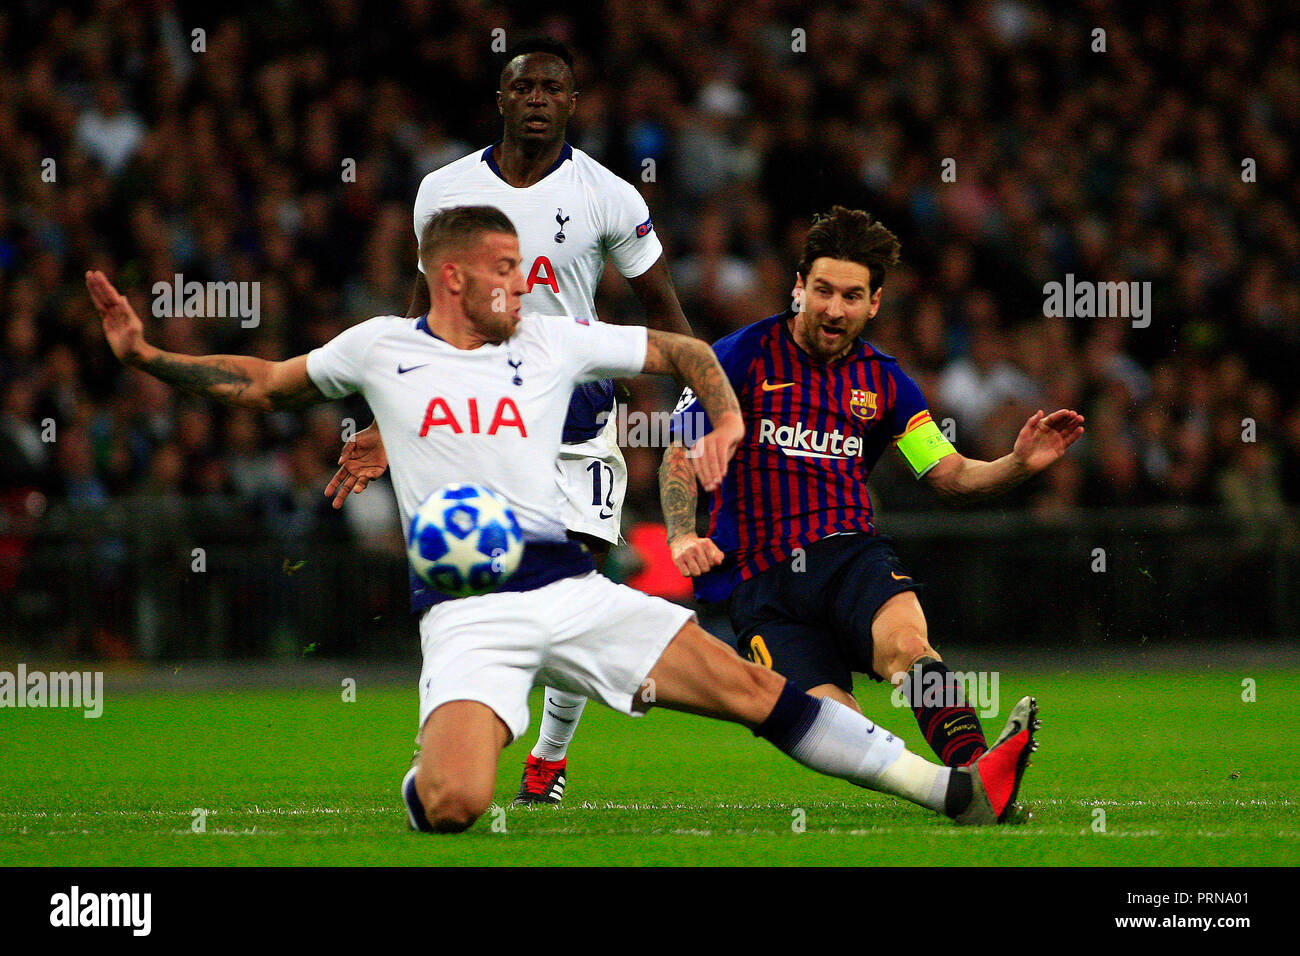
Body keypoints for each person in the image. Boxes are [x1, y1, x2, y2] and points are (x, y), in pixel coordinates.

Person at [87, 204, 1038, 833]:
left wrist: (728, 418)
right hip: (468, 612)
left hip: (577, 589)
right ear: (453, 277)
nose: (526, 281)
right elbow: (261, 385)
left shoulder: (550, 338)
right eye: (507, 268)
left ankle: (954, 787)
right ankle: (438, 771)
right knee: (457, 804)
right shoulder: (380, 349)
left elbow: (683, 352)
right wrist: (147, 358)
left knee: (760, 697)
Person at [327, 38, 694, 806]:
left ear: (572, 103)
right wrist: (387, 417)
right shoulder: (442, 190)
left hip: (577, 422)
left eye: (552, 87)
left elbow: (662, 310)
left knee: (578, 583)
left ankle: (547, 760)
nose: (536, 98)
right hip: (476, 416)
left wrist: (692, 397)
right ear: (499, 99)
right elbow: (420, 314)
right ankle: (448, 734)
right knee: (467, 588)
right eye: (522, 85)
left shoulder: (610, 195)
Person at [662, 206, 1083, 766]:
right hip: (761, 583)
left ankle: (978, 771)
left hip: (850, 557)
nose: (835, 309)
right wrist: (682, 535)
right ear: (798, 288)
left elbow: (950, 475)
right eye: (823, 290)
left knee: (910, 648)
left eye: (852, 295)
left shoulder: (886, 382)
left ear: (874, 302)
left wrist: (1017, 464)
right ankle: (939, 784)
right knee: (838, 729)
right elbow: (680, 452)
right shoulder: (737, 357)